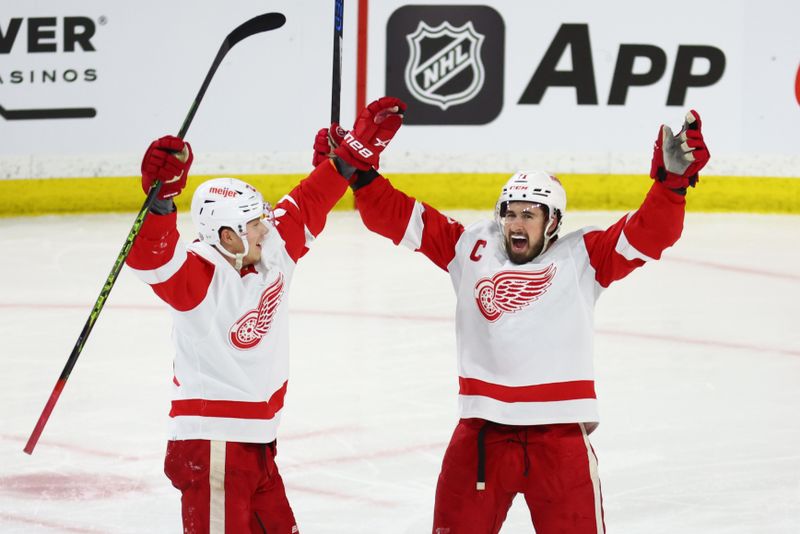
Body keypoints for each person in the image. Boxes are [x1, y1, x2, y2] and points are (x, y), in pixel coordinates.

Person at [314, 108, 710, 533]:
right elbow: (396, 216)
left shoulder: (585, 256)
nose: (515, 223)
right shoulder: (470, 248)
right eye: (510, 213)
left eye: (528, 214)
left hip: (559, 439)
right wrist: (355, 172)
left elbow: (651, 233)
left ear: (552, 221)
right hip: (483, 434)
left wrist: (671, 185)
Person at [126, 96, 405, 533]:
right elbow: (150, 260)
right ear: (225, 235)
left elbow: (309, 203)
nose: (266, 226)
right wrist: (160, 200)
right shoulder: (201, 274)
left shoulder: (271, 250)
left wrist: (350, 155)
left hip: (257, 442)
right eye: (254, 223)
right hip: (213, 444)